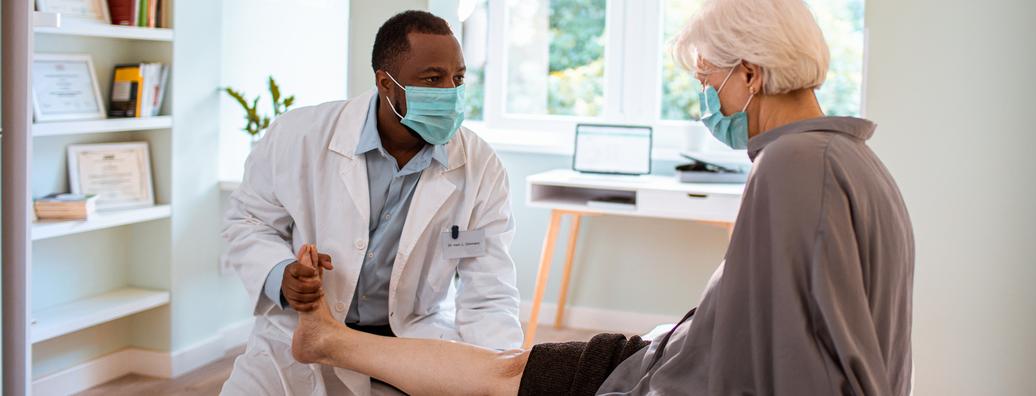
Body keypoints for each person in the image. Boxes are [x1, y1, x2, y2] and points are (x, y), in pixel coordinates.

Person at [290, 0, 915, 394]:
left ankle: (328, 339)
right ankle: (331, 340)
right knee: (512, 365)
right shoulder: (856, 160)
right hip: (668, 354)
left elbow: (796, 356)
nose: (710, 105)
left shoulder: (791, 164)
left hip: (664, 378)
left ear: (750, 75)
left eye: (710, 84)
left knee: (506, 375)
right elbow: (830, 333)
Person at [220, 11, 524, 395]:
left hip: (408, 340)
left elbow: (488, 289)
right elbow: (247, 222)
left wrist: (498, 372)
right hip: (297, 335)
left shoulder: (480, 166)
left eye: (458, 78)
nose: (451, 92)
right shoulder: (299, 134)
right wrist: (280, 273)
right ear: (385, 82)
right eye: (433, 79)